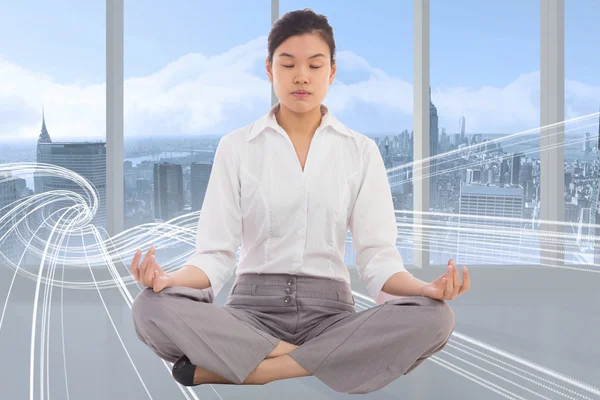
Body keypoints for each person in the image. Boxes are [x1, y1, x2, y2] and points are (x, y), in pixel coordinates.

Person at [131, 8, 470, 394]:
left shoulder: (360, 151)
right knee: (149, 308)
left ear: (333, 72)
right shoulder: (237, 147)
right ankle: (322, 359)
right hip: (250, 313)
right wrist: (167, 280)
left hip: (332, 316)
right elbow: (215, 254)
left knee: (436, 319)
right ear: (269, 68)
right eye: (288, 63)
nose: (302, 76)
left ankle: (259, 366)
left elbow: (377, 259)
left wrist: (423, 290)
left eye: (315, 64)